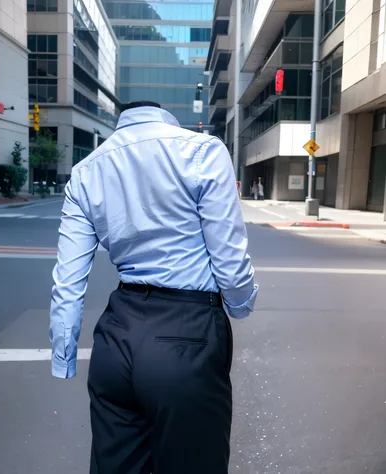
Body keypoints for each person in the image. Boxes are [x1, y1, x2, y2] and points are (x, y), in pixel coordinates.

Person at [50, 102, 258, 474]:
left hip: (117, 337)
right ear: (164, 115)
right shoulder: (201, 151)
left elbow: (68, 280)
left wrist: (63, 354)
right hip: (187, 331)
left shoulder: (85, 172)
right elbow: (229, 257)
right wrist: (241, 305)